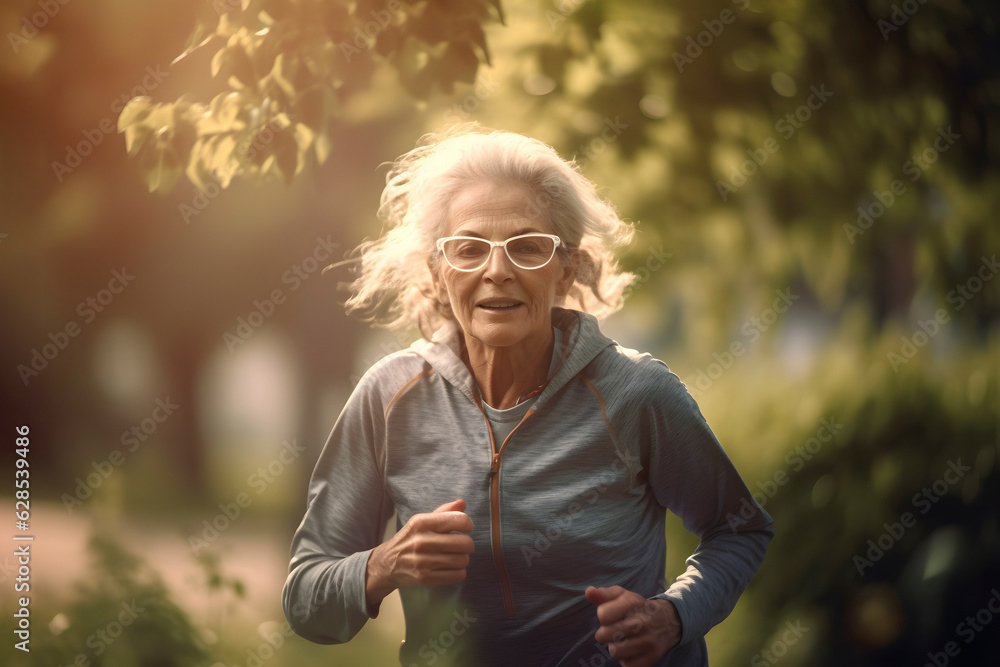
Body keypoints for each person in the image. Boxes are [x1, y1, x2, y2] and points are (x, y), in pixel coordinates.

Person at [282, 124, 773, 667]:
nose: (497, 270)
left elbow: (739, 529)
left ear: (566, 270)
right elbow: (307, 601)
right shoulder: (390, 397)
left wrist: (675, 615)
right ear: (437, 272)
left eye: (527, 247)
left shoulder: (635, 394)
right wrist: (383, 566)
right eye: (468, 249)